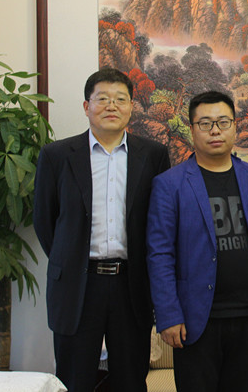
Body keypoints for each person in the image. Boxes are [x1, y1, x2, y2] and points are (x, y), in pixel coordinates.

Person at [33, 67, 170, 392]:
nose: (112, 106)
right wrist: (72, 258)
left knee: (130, 380)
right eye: (103, 99)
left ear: (131, 106)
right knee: (74, 379)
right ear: (87, 106)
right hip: (78, 286)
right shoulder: (56, 156)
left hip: (131, 285)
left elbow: (161, 221)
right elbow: (45, 222)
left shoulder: (153, 155)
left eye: (120, 99)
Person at [147, 91, 248, 392]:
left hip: (246, 314)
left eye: (223, 122)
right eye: (205, 124)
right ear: (192, 129)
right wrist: (168, 314)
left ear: (235, 126)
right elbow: (160, 254)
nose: (215, 131)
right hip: (196, 317)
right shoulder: (169, 184)